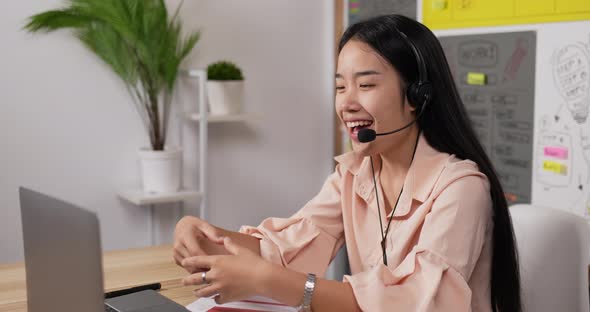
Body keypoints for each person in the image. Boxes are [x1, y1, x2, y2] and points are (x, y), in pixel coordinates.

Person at [173, 14, 522, 312]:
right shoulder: (355, 174)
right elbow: (291, 243)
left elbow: (419, 302)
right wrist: (204, 236)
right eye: (341, 87)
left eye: (366, 84)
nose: (347, 104)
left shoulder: (462, 188)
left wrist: (267, 280)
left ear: (417, 95)